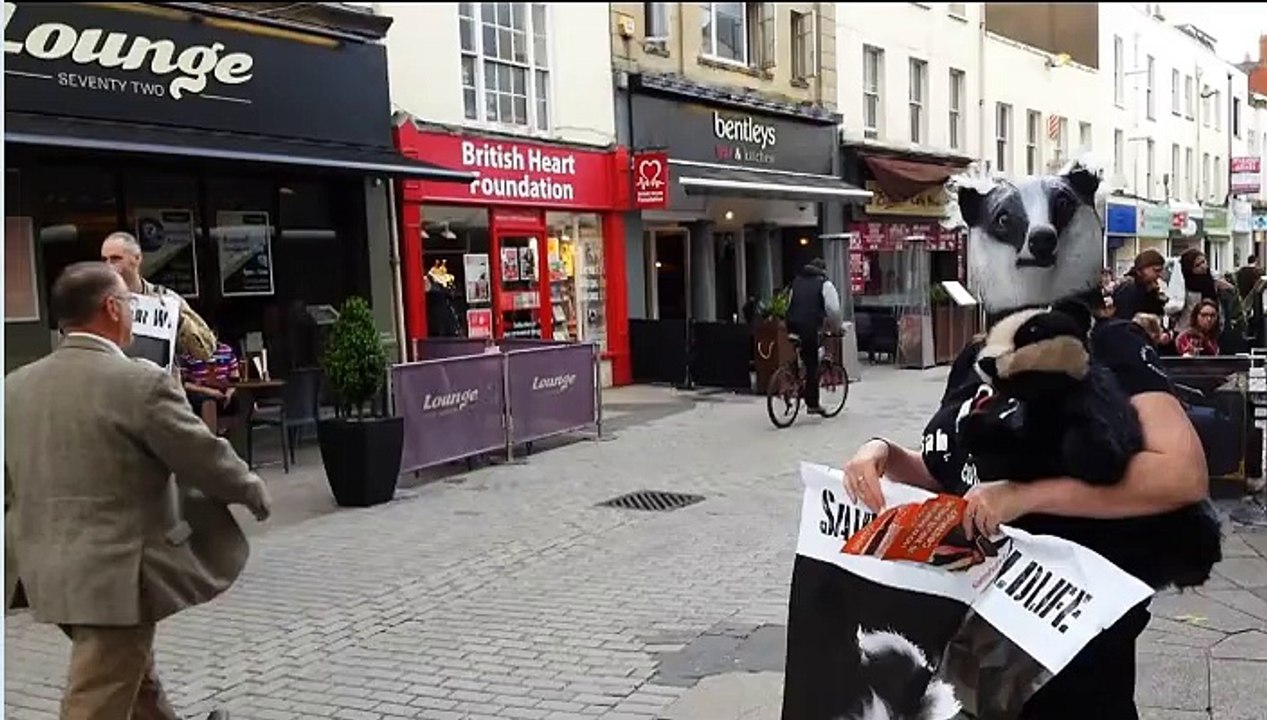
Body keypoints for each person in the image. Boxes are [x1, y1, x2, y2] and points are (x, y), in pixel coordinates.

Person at [842, 166, 1207, 719]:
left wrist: (1024, 496)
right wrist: (887, 457)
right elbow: (958, 472)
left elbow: (1182, 474)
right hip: (975, 647)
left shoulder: (1107, 348)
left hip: (1073, 649)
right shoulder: (977, 357)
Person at [4, 262, 272, 720]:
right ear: (111, 308)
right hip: (116, 577)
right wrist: (250, 489)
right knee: (97, 698)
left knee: (135, 678)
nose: (133, 312)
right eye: (129, 303)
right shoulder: (139, 382)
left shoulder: (14, 388)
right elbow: (201, 454)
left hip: (45, 571)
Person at [101, 230, 217, 364]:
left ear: (137, 259)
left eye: (116, 259)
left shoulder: (166, 299)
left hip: (159, 382)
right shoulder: (99, 302)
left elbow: (206, 350)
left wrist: (177, 320)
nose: (109, 266)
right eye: (105, 260)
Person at [785, 257, 843, 415]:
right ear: (823, 270)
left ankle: (793, 379)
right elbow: (833, 309)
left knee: (802, 353)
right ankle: (812, 404)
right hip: (809, 327)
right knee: (812, 364)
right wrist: (837, 327)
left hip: (792, 325)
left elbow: (789, 303)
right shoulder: (824, 283)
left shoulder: (796, 282)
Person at [1111, 249, 1167, 320]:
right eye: (1156, 271)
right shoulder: (1128, 288)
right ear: (1140, 270)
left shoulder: (1148, 288)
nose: (1159, 275)